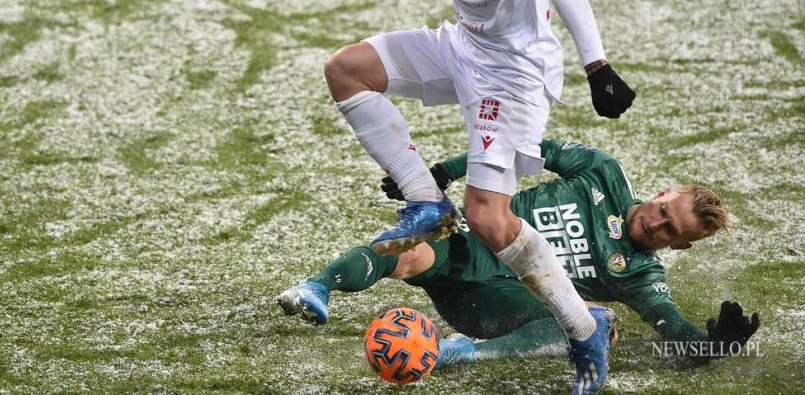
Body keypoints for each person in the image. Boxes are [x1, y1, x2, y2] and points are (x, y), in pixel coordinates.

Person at [323, 0, 634, 392]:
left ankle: (584, 330)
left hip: (512, 72)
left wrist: (598, 68)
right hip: (465, 45)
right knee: (347, 70)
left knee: (489, 218)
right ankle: (423, 200)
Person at [279, 140, 760, 375]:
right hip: (472, 243)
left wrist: (711, 345)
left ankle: (452, 352)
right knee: (411, 249)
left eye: (669, 230)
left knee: (595, 323)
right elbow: (518, 151)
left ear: (680, 246)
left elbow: (671, 328)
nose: (655, 223)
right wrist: (445, 170)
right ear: (662, 192)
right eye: (662, 210)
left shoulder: (639, 274)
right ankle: (317, 287)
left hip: (499, 307)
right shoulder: (603, 172)